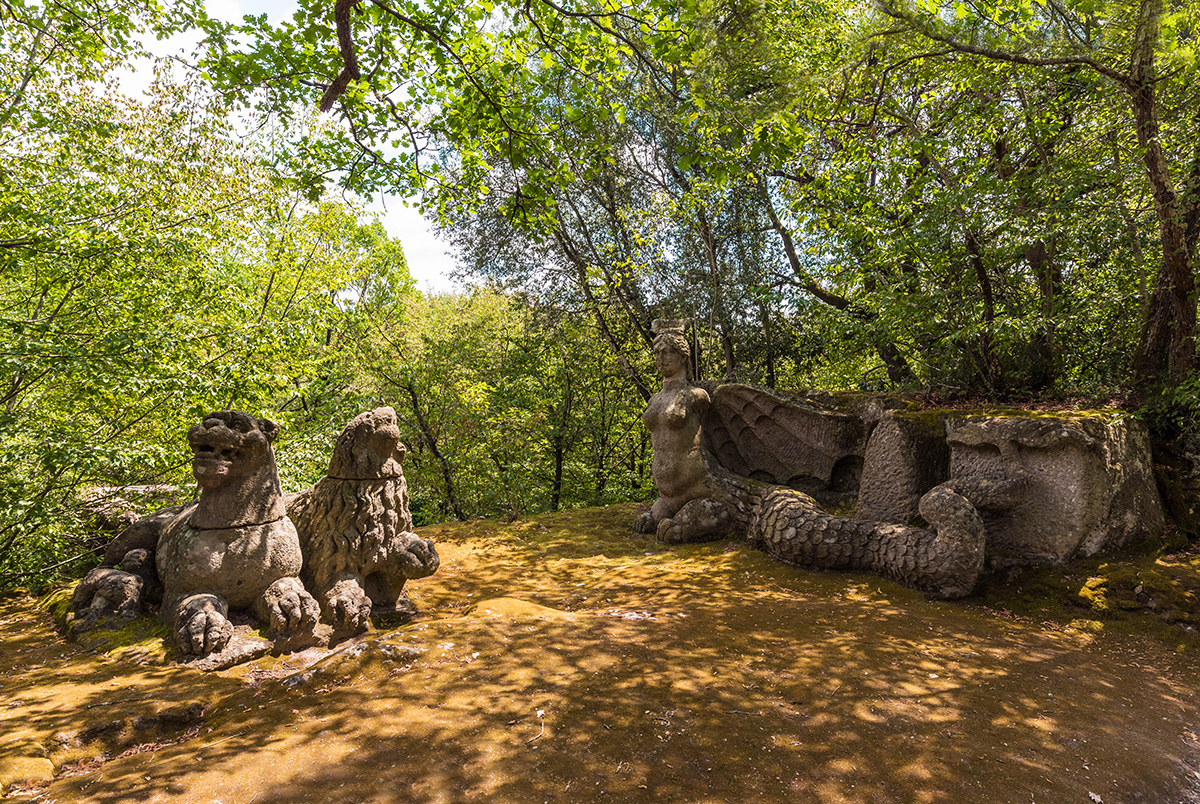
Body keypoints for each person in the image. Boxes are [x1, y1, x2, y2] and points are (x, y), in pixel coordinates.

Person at [639, 320, 736, 542]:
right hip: (667, 496)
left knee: (675, 530)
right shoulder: (655, 400)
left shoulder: (695, 396)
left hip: (698, 488)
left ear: (683, 357)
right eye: (657, 353)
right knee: (651, 522)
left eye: (667, 352)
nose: (661, 359)